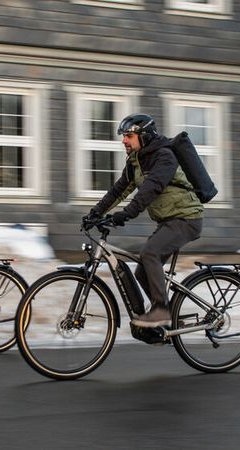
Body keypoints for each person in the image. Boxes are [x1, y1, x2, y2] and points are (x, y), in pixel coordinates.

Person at [84, 113, 203, 328]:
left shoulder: (164, 156)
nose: (124, 140)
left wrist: (126, 214)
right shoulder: (136, 161)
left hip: (186, 219)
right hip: (168, 221)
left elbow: (151, 189)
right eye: (124, 136)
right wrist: (95, 213)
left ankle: (161, 311)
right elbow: (119, 190)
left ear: (144, 136)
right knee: (142, 270)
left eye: (128, 135)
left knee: (150, 253)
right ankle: (165, 318)